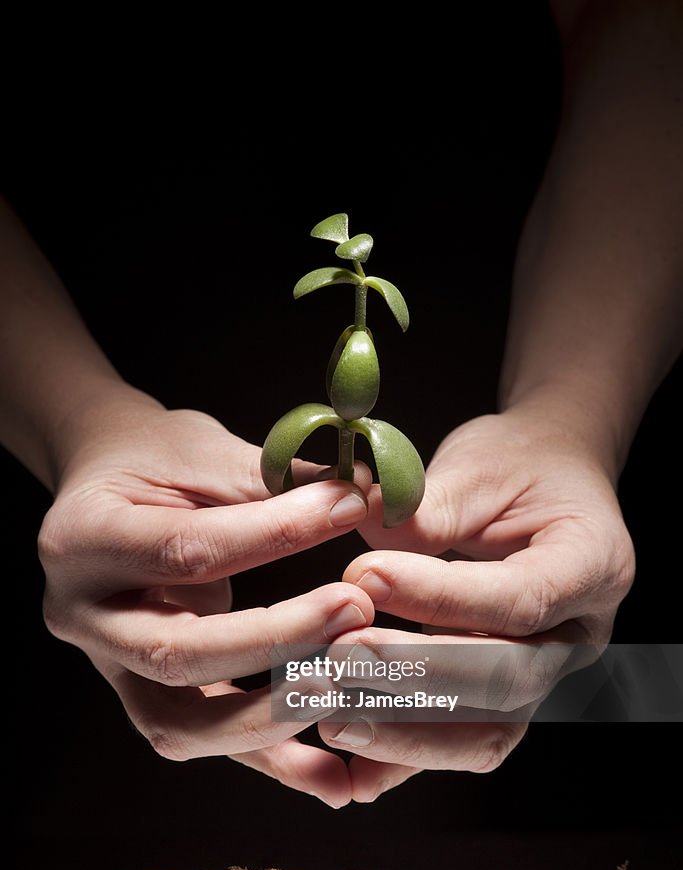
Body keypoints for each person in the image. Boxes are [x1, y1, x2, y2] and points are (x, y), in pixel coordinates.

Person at [1, 0, 681, 809]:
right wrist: (75, 420)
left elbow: (645, 22)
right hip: (81, 644)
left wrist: (577, 423)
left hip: (555, 554)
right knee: (112, 835)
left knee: (590, 794)